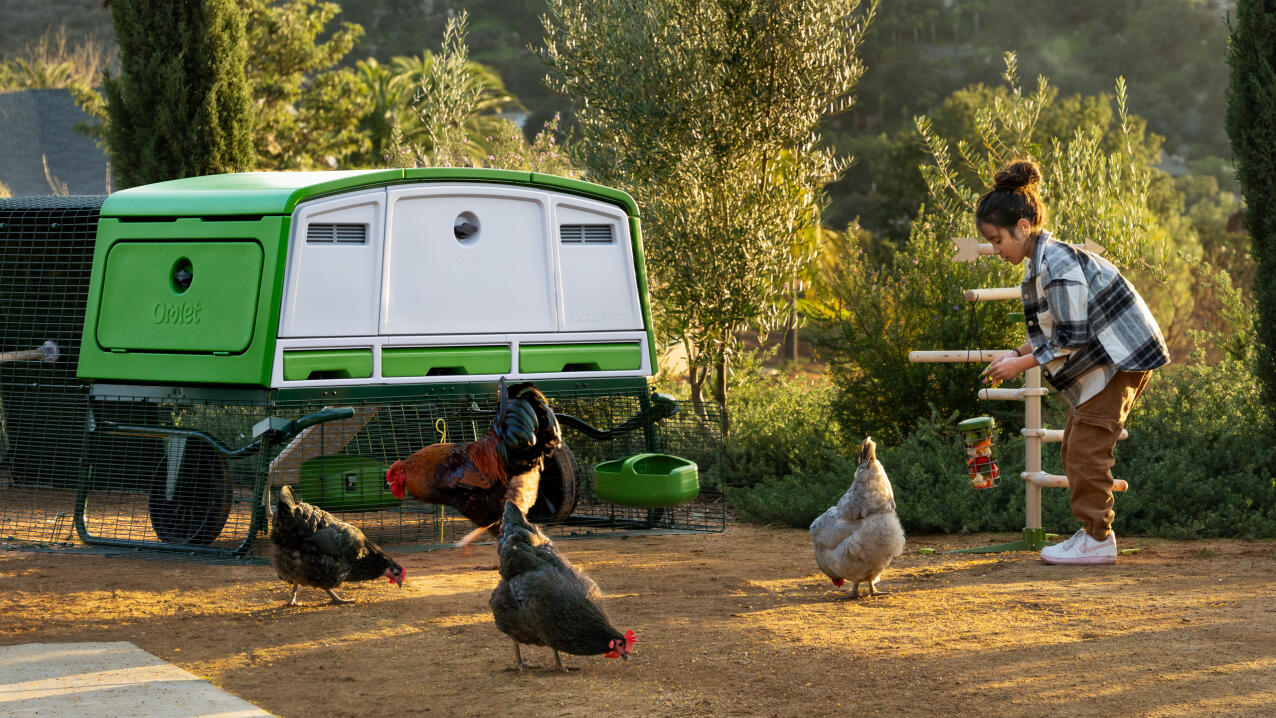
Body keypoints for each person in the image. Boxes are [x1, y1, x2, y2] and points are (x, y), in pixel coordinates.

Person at [979, 160, 1170, 566]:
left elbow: (1074, 336)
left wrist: (1021, 365)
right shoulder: (1045, 262)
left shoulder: (1056, 265)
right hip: (1113, 356)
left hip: (1122, 357)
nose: (995, 250)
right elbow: (1062, 331)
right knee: (1074, 446)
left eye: (997, 240)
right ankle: (1092, 533)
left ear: (1023, 227)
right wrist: (1017, 355)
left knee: (1086, 448)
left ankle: (1098, 538)